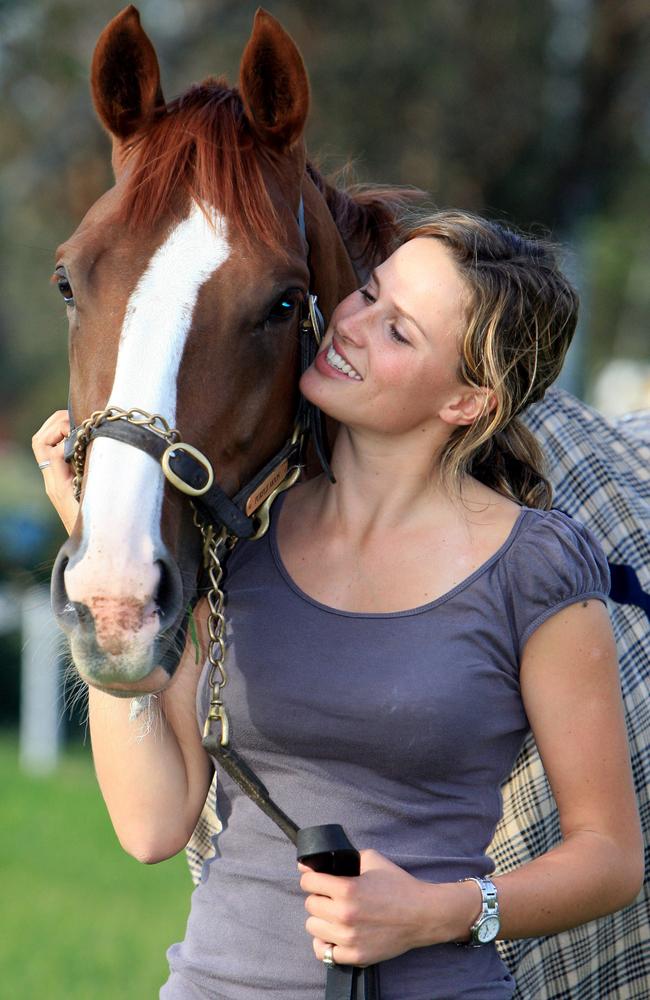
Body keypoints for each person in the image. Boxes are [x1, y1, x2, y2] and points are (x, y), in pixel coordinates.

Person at [33, 211, 643, 1000]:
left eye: (399, 333)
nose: (351, 325)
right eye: (366, 293)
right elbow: (151, 824)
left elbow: (609, 858)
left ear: (467, 401)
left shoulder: (534, 567)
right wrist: (100, 553)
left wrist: (434, 912)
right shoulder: (241, 534)